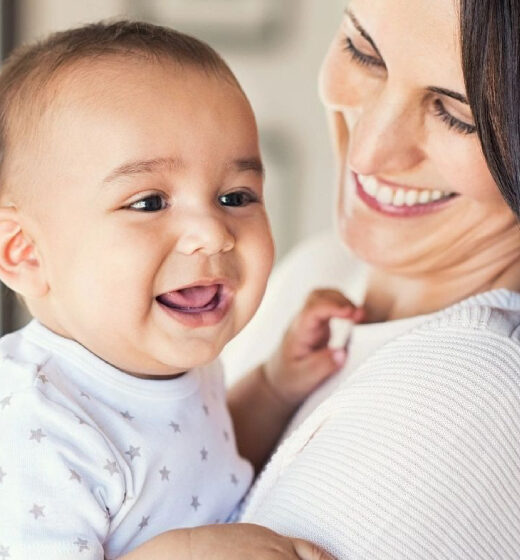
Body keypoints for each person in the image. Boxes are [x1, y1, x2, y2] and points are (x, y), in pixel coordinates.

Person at [0, 20, 345, 560]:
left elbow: (201, 459)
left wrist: (275, 386)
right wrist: (188, 553)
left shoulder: (173, 361)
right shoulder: (28, 432)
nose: (212, 233)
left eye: (237, 196)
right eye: (150, 202)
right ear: (25, 252)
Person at [218, 0, 520, 558]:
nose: (367, 153)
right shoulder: (321, 269)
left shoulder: (471, 404)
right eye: (364, 50)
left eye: (457, 113)